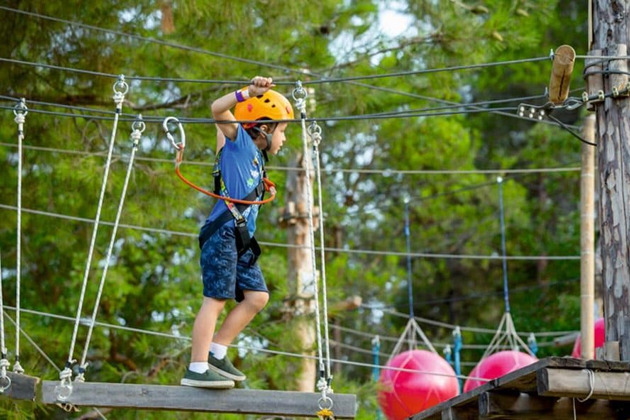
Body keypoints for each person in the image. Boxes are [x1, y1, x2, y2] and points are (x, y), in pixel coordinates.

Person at [181, 76, 294, 388]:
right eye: (282, 130)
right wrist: (248, 93)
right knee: (216, 298)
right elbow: (218, 111)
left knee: (257, 297)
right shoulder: (239, 142)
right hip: (224, 234)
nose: (284, 139)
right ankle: (198, 367)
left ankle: (216, 351)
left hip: (241, 239)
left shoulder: (257, 158)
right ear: (263, 126)